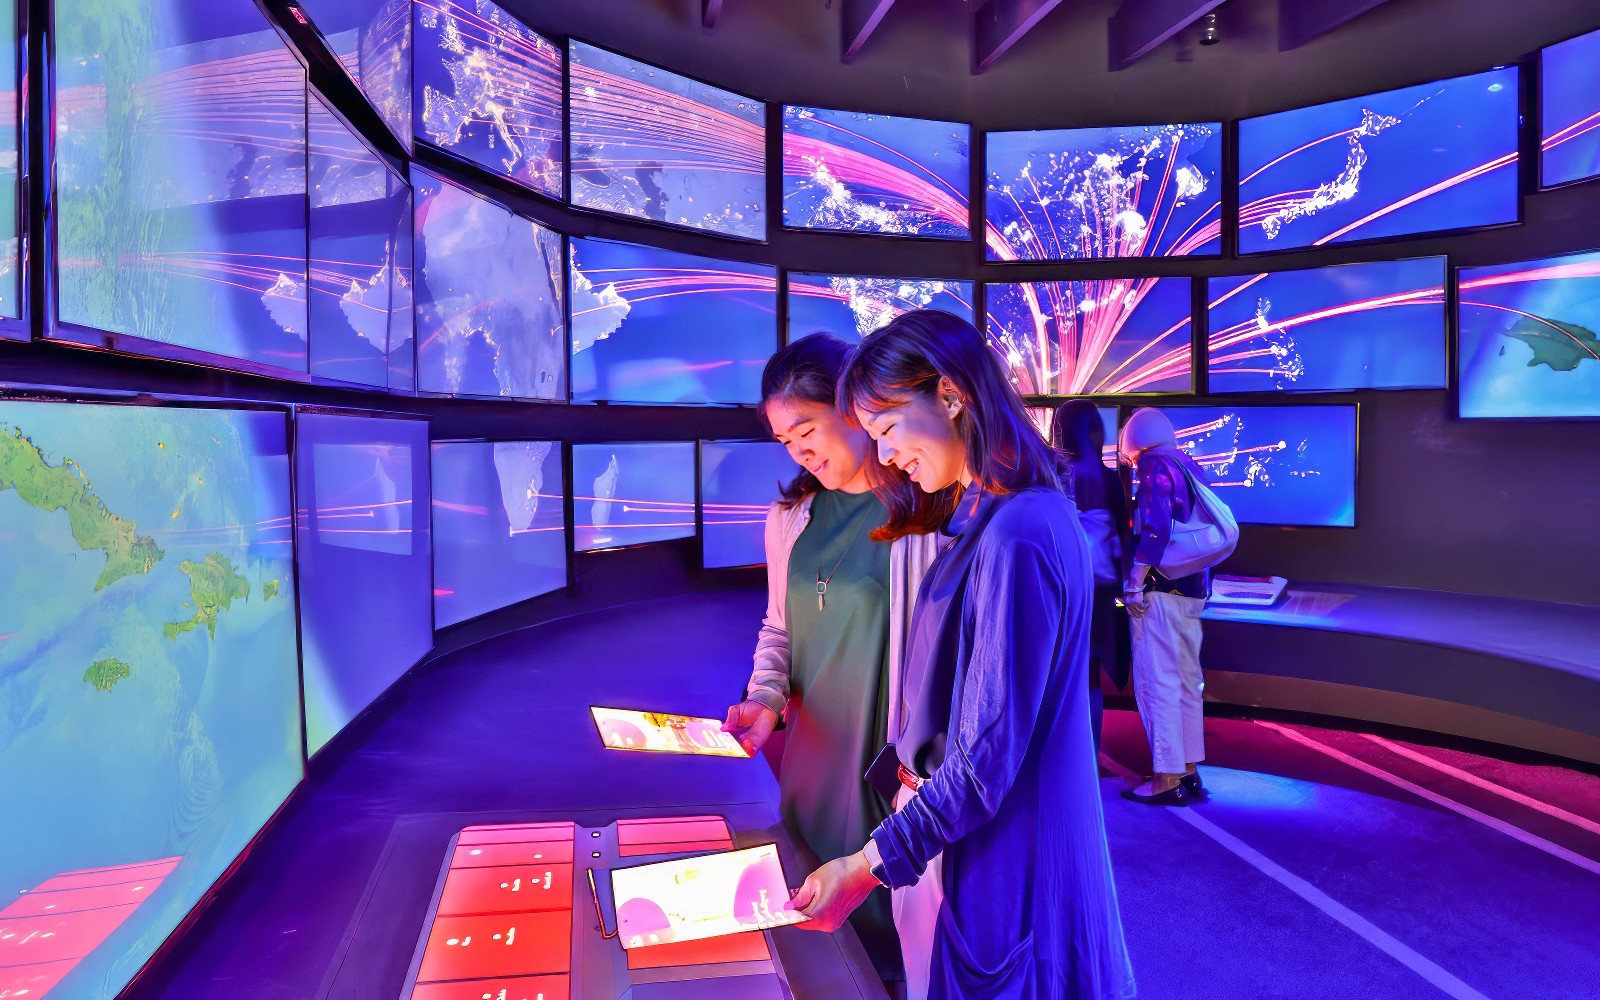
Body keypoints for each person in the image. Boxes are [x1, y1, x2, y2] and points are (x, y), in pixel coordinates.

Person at [788, 311, 1134, 1000]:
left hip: (1015, 867)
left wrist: (866, 865)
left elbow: (983, 762)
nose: (885, 455)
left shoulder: (1018, 532)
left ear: (950, 396)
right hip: (1003, 856)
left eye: (887, 429)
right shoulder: (1008, 515)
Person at [723, 333, 943, 988]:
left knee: (899, 953)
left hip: (891, 779)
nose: (799, 451)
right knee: (819, 951)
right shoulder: (791, 516)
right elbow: (779, 630)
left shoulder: (925, 512)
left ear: (853, 408)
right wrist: (765, 700)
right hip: (812, 769)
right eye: (786, 442)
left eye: (806, 429)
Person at [1118, 407, 1211, 806]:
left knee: (1158, 683)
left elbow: (1156, 526)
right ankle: (1188, 769)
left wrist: (1136, 580)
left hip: (1161, 591)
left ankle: (1165, 778)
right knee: (1187, 682)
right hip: (1192, 591)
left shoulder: (1155, 464)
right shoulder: (1188, 463)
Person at [1051, 401, 1133, 753]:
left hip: (1064, 590)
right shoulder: (1109, 478)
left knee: (1060, 675)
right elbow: (1124, 536)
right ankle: (1089, 755)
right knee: (1091, 675)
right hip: (1104, 592)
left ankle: (1062, 755)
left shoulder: (1053, 474)